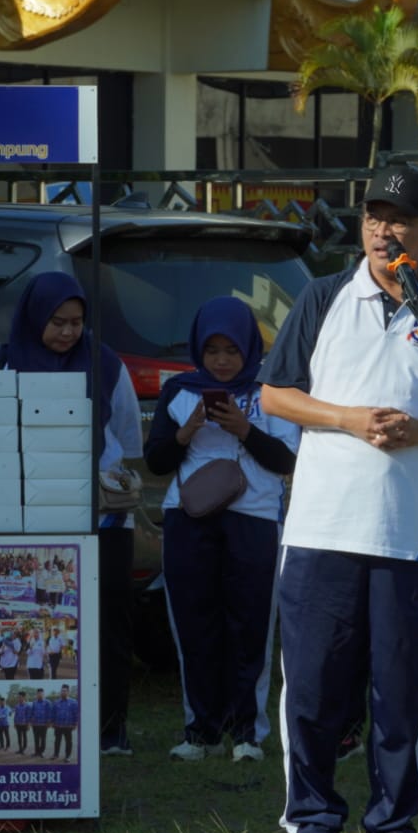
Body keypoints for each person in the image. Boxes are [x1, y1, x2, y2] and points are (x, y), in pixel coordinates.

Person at [258, 164, 418, 833]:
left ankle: (393, 826)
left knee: (399, 689)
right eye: (373, 215)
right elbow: (274, 396)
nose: (382, 229)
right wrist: (348, 418)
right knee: (311, 687)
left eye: (399, 218)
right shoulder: (324, 296)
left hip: (406, 534)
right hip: (320, 529)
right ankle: (312, 823)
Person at [0, 271, 143, 755]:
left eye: (77, 322)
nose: (68, 333)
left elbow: (128, 435)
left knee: (108, 625)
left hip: (102, 518)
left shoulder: (105, 363)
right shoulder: (4, 366)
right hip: (31, 517)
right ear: (35, 318)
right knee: (40, 627)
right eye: (57, 322)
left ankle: (110, 728)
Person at [144, 297, 299, 763]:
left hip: (253, 519)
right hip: (188, 519)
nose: (222, 360)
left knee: (250, 624)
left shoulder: (271, 392)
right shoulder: (180, 392)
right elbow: (156, 463)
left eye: (231, 350)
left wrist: (245, 429)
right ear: (198, 351)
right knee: (194, 625)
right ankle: (201, 731)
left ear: (250, 347)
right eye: (212, 351)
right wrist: (187, 432)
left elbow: (288, 461)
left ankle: (248, 733)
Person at [51, 684, 78, 763]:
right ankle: (56, 754)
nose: (63, 692)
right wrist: (52, 722)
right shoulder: (56, 702)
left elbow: (76, 714)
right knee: (57, 741)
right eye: (62, 691)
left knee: (68, 741)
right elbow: (53, 713)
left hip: (68, 726)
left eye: (65, 691)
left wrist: (75, 724)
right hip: (58, 725)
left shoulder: (74, 702)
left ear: (68, 692)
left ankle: (68, 756)